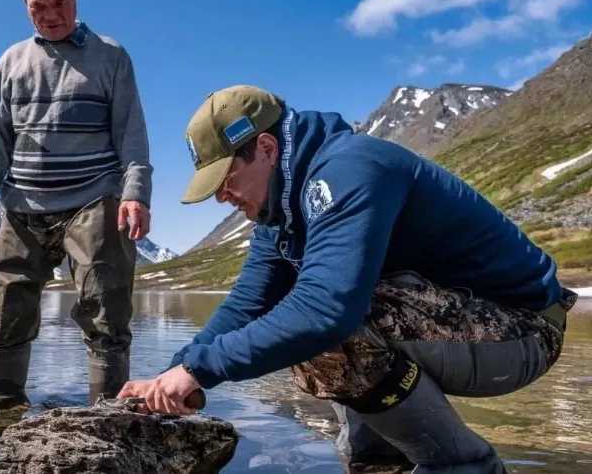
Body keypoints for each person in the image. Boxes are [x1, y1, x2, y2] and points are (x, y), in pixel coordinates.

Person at [118, 84, 576, 473]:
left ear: (266, 148)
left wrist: (201, 369)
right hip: (461, 327)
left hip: (523, 330)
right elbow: (247, 304)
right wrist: (173, 372)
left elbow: (326, 312)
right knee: (310, 325)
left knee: (324, 332)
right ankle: (382, 466)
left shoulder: (349, 168)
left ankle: (463, 466)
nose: (222, 197)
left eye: (225, 178)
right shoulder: (279, 212)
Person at [0, 0, 153, 407]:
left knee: (105, 306)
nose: (50, 15)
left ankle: (108, 421)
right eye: (38, 7)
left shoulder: (110, 57)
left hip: (93, 199)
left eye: (60, 3)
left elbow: (131, 134)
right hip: (23, 204)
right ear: (25, 5)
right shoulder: (11, 62)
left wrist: (135, 194)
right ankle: (2, 427)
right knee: (6, 311)